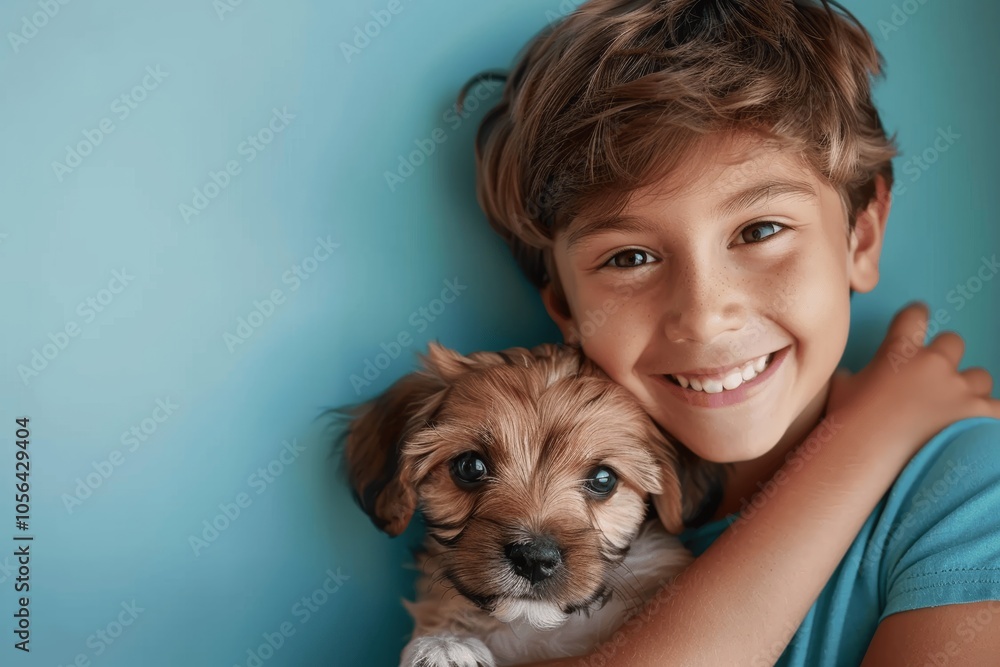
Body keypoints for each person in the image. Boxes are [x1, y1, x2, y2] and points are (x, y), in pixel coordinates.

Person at [465, 0, 1000, 664]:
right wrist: (862, 443)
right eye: (629, 257)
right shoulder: (537, 537)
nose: (703, 313)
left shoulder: (974, 487)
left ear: (860, 235)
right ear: (566, 309)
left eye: (760, 230)